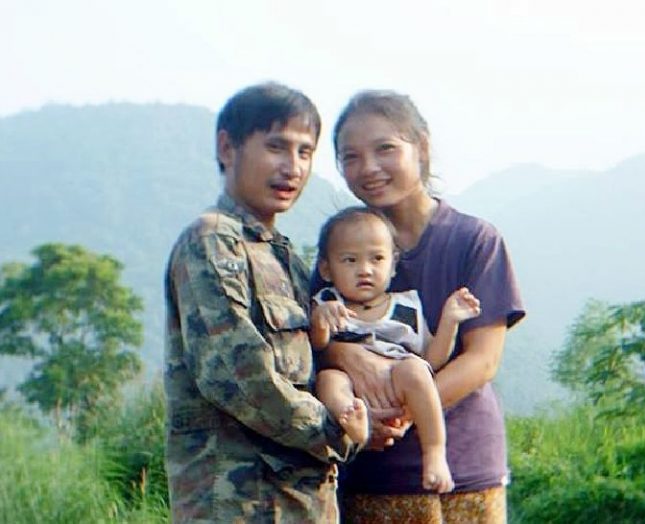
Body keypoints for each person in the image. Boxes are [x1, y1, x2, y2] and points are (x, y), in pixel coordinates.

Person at [312, 90, 526, 523]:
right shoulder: (341, 246)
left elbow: (483, 361)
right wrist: (343, 358)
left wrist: (404, 412)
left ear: (422, 147)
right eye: (350, 156)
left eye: (385, 148)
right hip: (372, 469)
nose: (368, 168)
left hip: (462, 469)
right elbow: (315, 341)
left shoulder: (474, 241)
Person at [163, 82, 367, 523]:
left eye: (305, 152)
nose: (292, 167)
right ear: (227, 147)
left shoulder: (284, 254)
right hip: (240, 504)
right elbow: (236, 374)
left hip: (299, 501)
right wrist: (334, 429)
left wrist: (361, 410)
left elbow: (309, 364)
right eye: (276, 147)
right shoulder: (214, 240)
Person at [310, 206, 482, 494]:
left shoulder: (406, 307)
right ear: (326, 269)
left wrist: (450, 320)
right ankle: (354, 425)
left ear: (392, 265)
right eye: (350, 260)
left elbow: (432, 359)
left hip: (397, 375)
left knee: (416, 369)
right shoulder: (327, 302)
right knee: (330, 380)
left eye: (376, 259)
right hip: (351, 385)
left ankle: (435, 453)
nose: (365, 270)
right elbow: (315, 347)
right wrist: (320, 320)